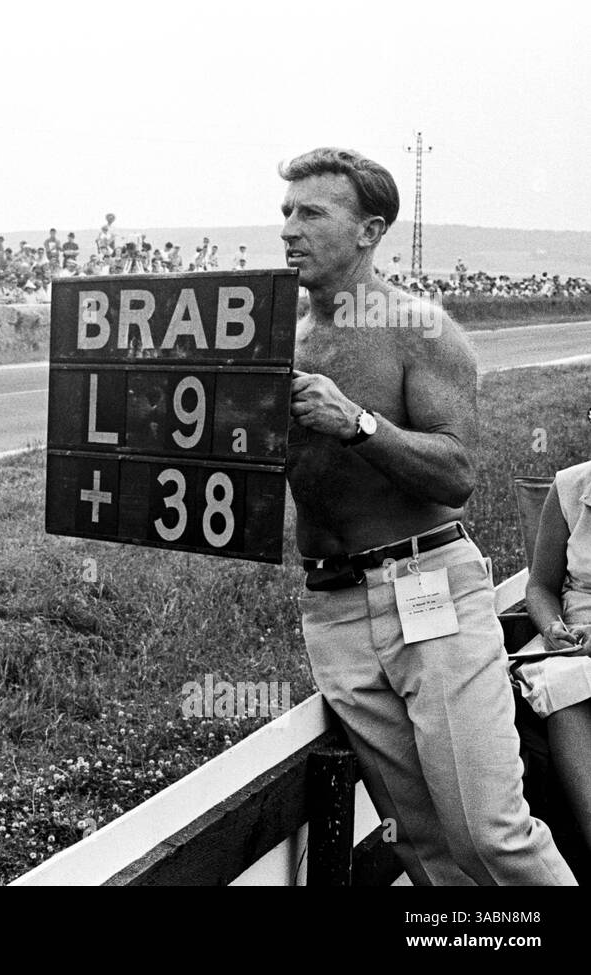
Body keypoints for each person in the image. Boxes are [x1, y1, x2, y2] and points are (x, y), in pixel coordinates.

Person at [283, 146, 574, 886]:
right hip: (334, 607)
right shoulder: (283, 343)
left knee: (490, 834)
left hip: (428, 587)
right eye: (286, 210)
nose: (289, 227)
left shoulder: (421, 329)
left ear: (368, 229)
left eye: (312, 212)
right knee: (423, 845)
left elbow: (458, 473)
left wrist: (357, 423)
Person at [515, 459, 591, 852]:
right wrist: (551, 628)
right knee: (563, 683)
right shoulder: (570, 486)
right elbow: (540, 586)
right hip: (576, 645)